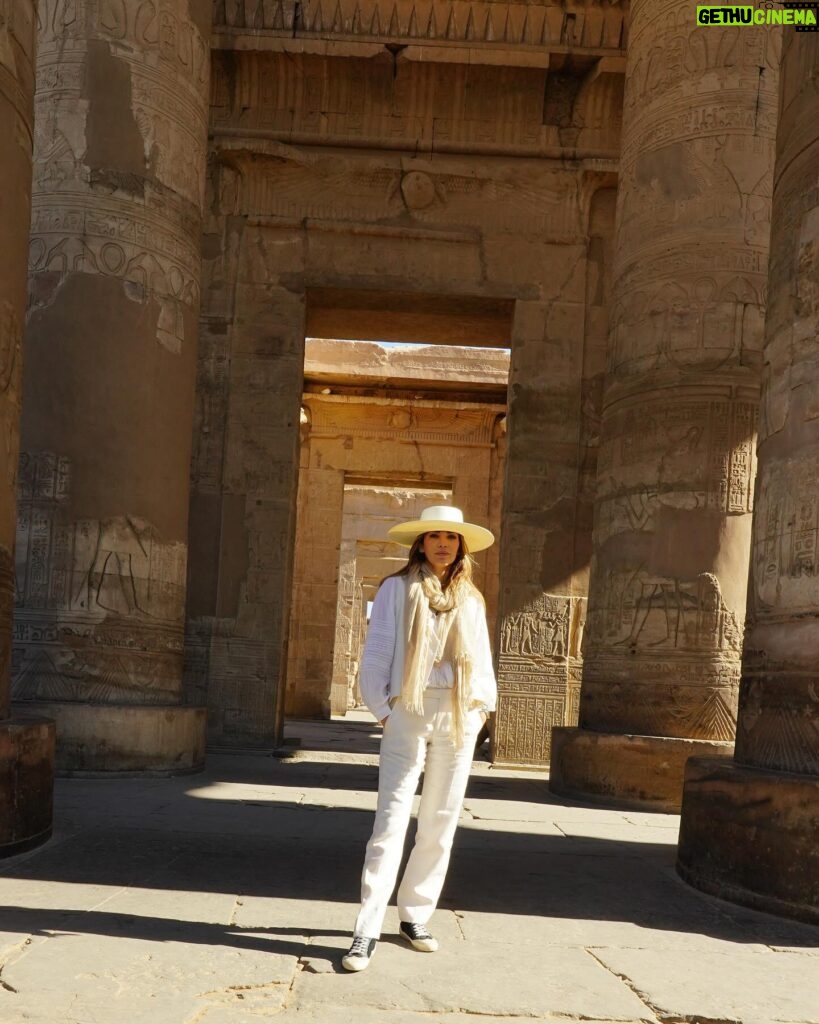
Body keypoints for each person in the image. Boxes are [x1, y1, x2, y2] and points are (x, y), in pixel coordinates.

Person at [342, 505, 497, 972]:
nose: (443, 545)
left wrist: (481, 709)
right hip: (407, 708)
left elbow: (482, 657)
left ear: (461, 545)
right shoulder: (395, 589)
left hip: (457, 711)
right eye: (435, 537)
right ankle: (366, 927)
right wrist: (383, 710)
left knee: (441, 819)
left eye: (451, 538)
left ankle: (415, 914)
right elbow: (379, 651)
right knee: (390, 820)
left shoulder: (471, 597)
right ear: (422, 543)